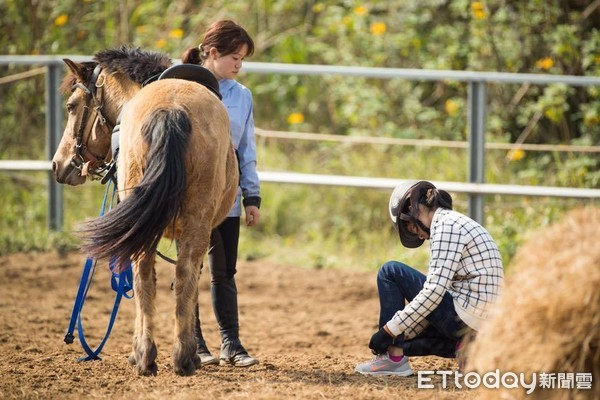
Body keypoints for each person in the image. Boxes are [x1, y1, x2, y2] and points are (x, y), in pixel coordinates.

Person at [355, 180, 504, 376]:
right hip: (479, 325)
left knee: (390, 271)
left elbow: (434, 291)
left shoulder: (446, 226)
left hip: (466, 318)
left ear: (413, 207)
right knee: (404, 337)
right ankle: (469, 349)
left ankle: (391, 359)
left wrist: (388, 332)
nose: (418, 234)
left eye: (409, 226)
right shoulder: (455, 222)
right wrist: (399, 332)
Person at [180, 20, 261, 368]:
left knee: (225, 272)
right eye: (234, 57)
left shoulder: (241, 96)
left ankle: (231, 343)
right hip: (192, 198)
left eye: (242, 59)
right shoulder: (180, 87)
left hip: (225, 198)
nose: (239, 65)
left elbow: (247, 149)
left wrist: (251, 196)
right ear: (212, 53)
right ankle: (195, 342)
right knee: (192, 267)